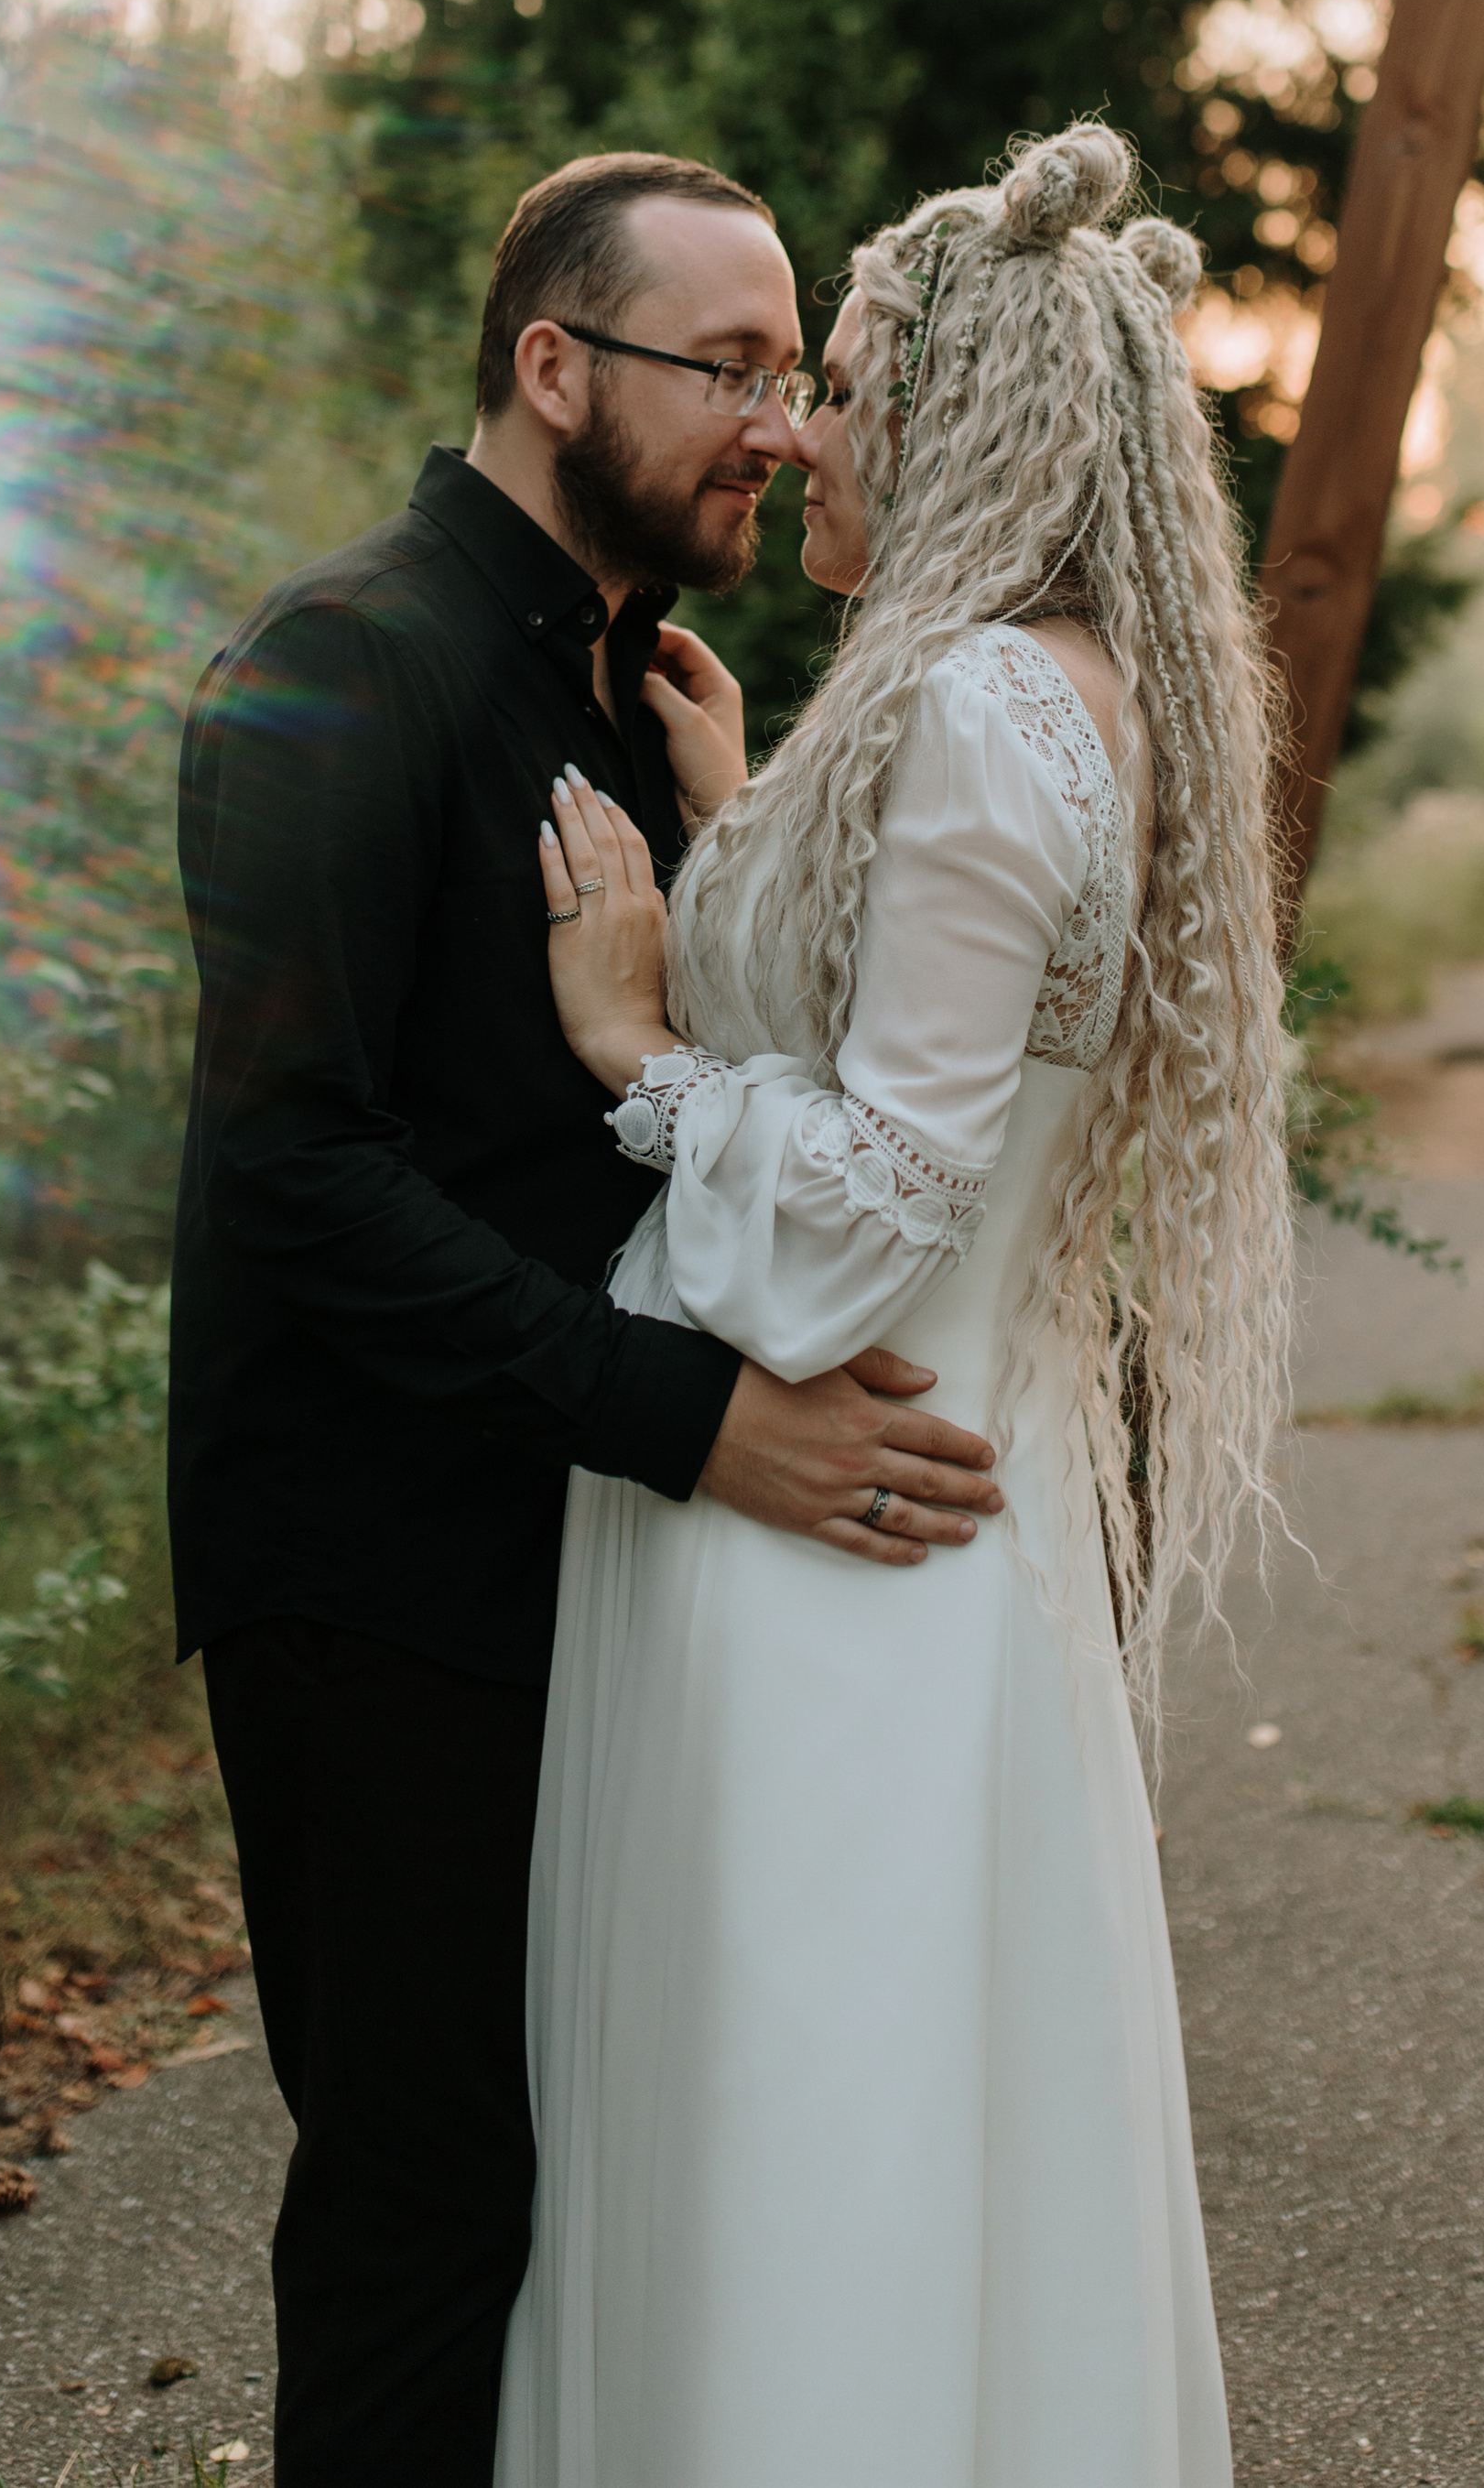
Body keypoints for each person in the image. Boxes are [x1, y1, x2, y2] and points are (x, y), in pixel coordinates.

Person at [167, 151, 1006, 2483]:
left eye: (786, 372)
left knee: (593, 2187)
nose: (777, 423)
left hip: (582, 1561)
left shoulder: (638, 684)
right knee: (427, 2216)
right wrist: (697, 1421)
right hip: (380, 1572)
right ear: (553, 368)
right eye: (727, 368)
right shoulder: (347, 663)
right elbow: (294, 1176)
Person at [502, 122, 1295, 2488]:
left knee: (811, 2130)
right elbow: (928, 1065)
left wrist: (641, 1048)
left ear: (960, 419)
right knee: (921, 2123)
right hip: (967, 1509)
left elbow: (868, 1199)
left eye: (840, 383)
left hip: (851, 1540)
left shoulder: (971, 713)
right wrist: (746, 827)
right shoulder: (1049, 692)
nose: (798, 431)